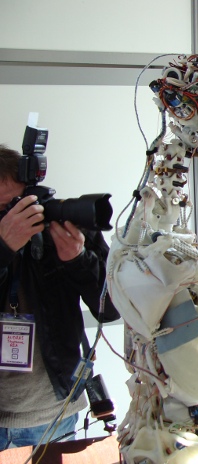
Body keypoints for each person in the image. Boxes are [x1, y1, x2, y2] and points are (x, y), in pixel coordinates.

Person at [0, 145, 119, 449]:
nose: (14, 216)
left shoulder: (62, 227)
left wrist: (78, 260)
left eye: (18, 204)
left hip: (54, 412)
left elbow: (112, 309)